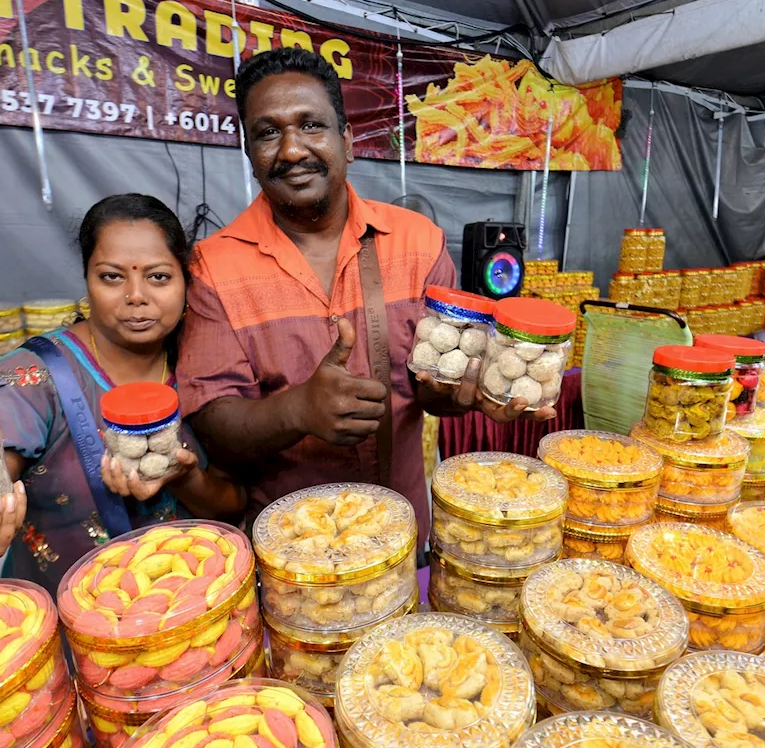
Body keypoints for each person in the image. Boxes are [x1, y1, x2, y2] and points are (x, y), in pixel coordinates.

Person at [179, 48, 551, 540]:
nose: (291, 150)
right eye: (268, 133)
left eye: (312, 125)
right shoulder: (213, 266)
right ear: (250, 154)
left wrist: (467, 395)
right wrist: (296, 411)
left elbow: (428, 389)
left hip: (404, 531)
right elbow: (211, 419)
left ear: (347, 141)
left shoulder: (419, 242)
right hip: (294, 550)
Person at [0, 194, 245, 593]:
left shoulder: (207, 366)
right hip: (66, 623)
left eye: (158, 276)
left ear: (185, 280)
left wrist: (184, 477)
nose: (136, 296)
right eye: (111, 276)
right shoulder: (33, 383)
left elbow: (231, 505)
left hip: (188, 610)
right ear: (86, 280)